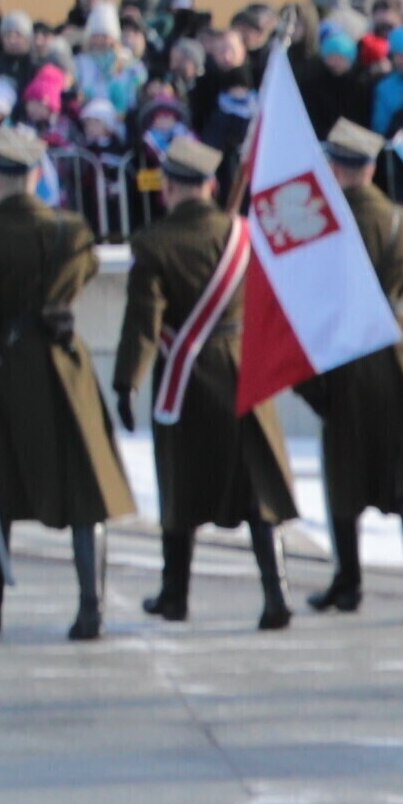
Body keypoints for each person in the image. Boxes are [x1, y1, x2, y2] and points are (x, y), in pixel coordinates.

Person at [0, 125, 134, 639]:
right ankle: (90, 605)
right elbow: (86, 269)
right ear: (35, 176)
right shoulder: (72, 230)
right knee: (83, 489)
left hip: (9, 371)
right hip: (67, 365)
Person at [107, 130, 301, 632]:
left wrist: (127, 381)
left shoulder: (152, 243)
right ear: (211, 186)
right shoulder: (246, 235)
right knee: (257, 488)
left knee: (182, 486)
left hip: (185, 376)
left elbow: (143, 322)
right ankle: (275, 593)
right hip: (244, 369)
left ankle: (175, 597)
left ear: (168, 188)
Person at [294, 117, 403, 620]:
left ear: (336, 168)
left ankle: (348, 583)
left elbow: (309, 290)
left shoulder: (321, 221)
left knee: (346, 468)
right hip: (400, 349)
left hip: (347, 350)